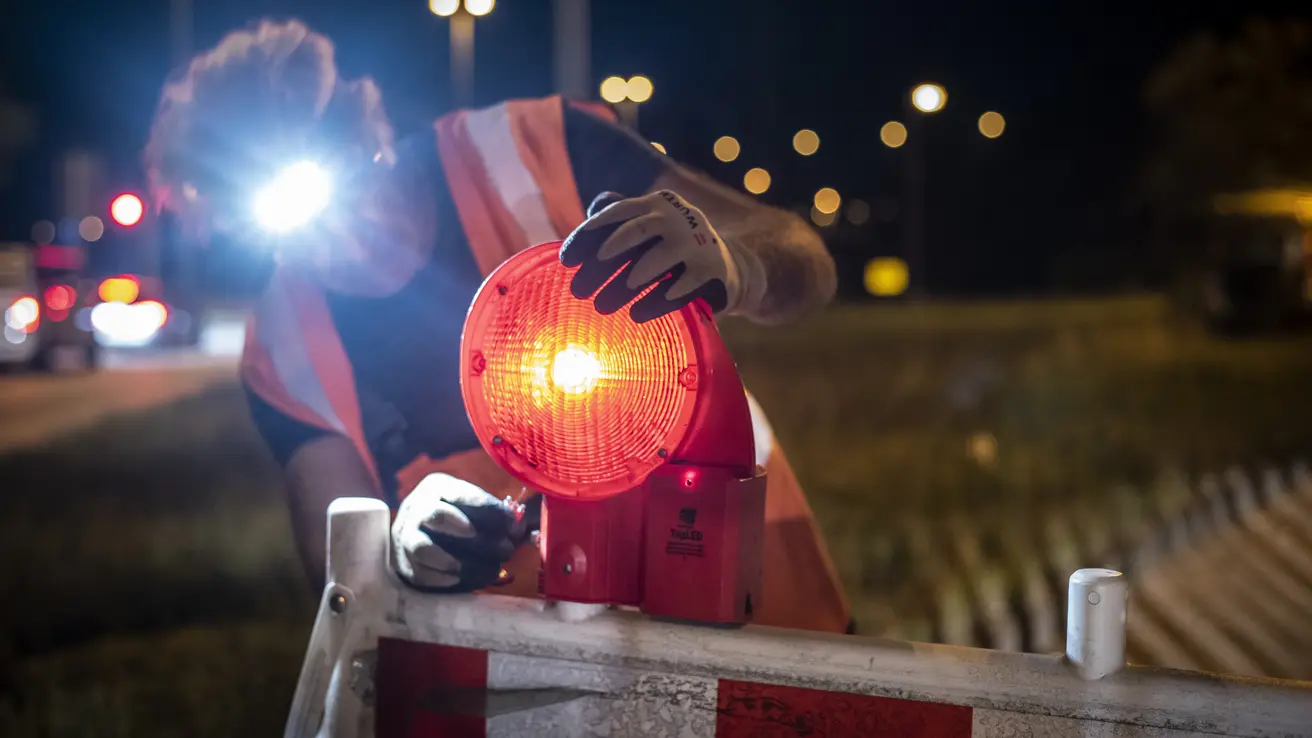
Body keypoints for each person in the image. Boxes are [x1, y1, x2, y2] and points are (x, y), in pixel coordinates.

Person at [144, 19, 852, 634]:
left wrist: (738, 263)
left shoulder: (530, 148)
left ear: (361, 126)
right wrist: (401, 547)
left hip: (747, 604)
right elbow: (343, 585)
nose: (339, 231)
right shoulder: (283, 346)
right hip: (528, 677)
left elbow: (804, 263)